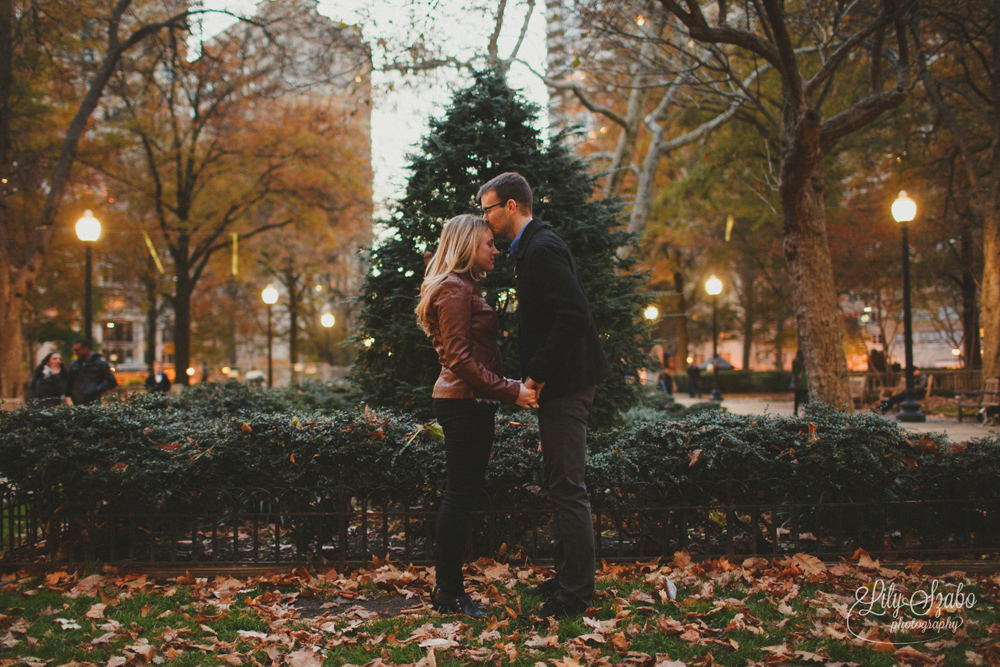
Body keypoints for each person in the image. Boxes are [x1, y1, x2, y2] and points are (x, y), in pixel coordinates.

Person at [478, 172, 611, 619]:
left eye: (489, 209)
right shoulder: (531, 248)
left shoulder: (541, 247)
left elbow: (573, 314)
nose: (486, 218)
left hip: (566, 384)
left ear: (511, 206)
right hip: (563, 382)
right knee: (561, 485)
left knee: (569, 488)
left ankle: (575, 596)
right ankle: (566, 577)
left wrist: (534, 376)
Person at [415, 214, 539, 619]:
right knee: (458, 497)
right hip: (463, 401)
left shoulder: (461, 286)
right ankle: (448, 592)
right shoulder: (453, 288)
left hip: (470, 401)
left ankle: (448, 590)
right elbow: (459, 359)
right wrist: (511, 391)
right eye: (489, 244)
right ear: (469, 246)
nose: (496, 250)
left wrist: (507, 387)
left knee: (460, 496)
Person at [67, 338, 118, 405]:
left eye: (77, 350)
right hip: (77, 402)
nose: (75, 352)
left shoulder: (100, 363)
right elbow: (70, 382)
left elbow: (112, 382)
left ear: (86, 348)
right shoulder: (74, 364)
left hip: (93, 402)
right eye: (74, 350)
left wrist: (96, 390)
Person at [791, 350, 809, 416]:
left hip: (799, 383)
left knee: (797, 399)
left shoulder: (795, 362)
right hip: (803, 384)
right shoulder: (803, 363)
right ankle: (806, 412)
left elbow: (794, 372)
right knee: (805, 399)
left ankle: (796, 413)